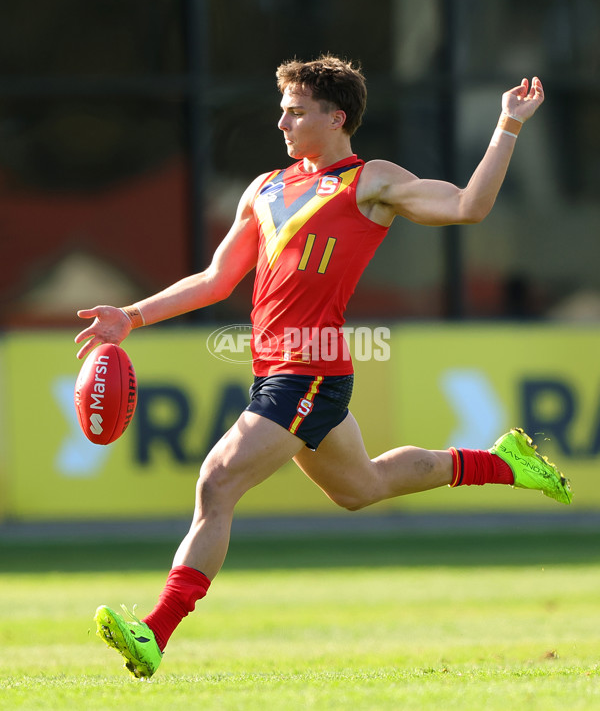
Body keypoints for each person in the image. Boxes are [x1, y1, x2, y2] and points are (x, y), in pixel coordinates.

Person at [74, 55, 572, 679]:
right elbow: (216, 278)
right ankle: (503, 463)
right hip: (277, 371)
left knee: (217, 482)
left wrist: (508, 126)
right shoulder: (265, 189)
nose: (281, 121)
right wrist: (131, 316)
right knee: (361, 488)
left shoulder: (370, 181)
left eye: (295, 110)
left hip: (310, 372)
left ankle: (154, 632)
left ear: (335, 118)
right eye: (282, 109)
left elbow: (469, 206)